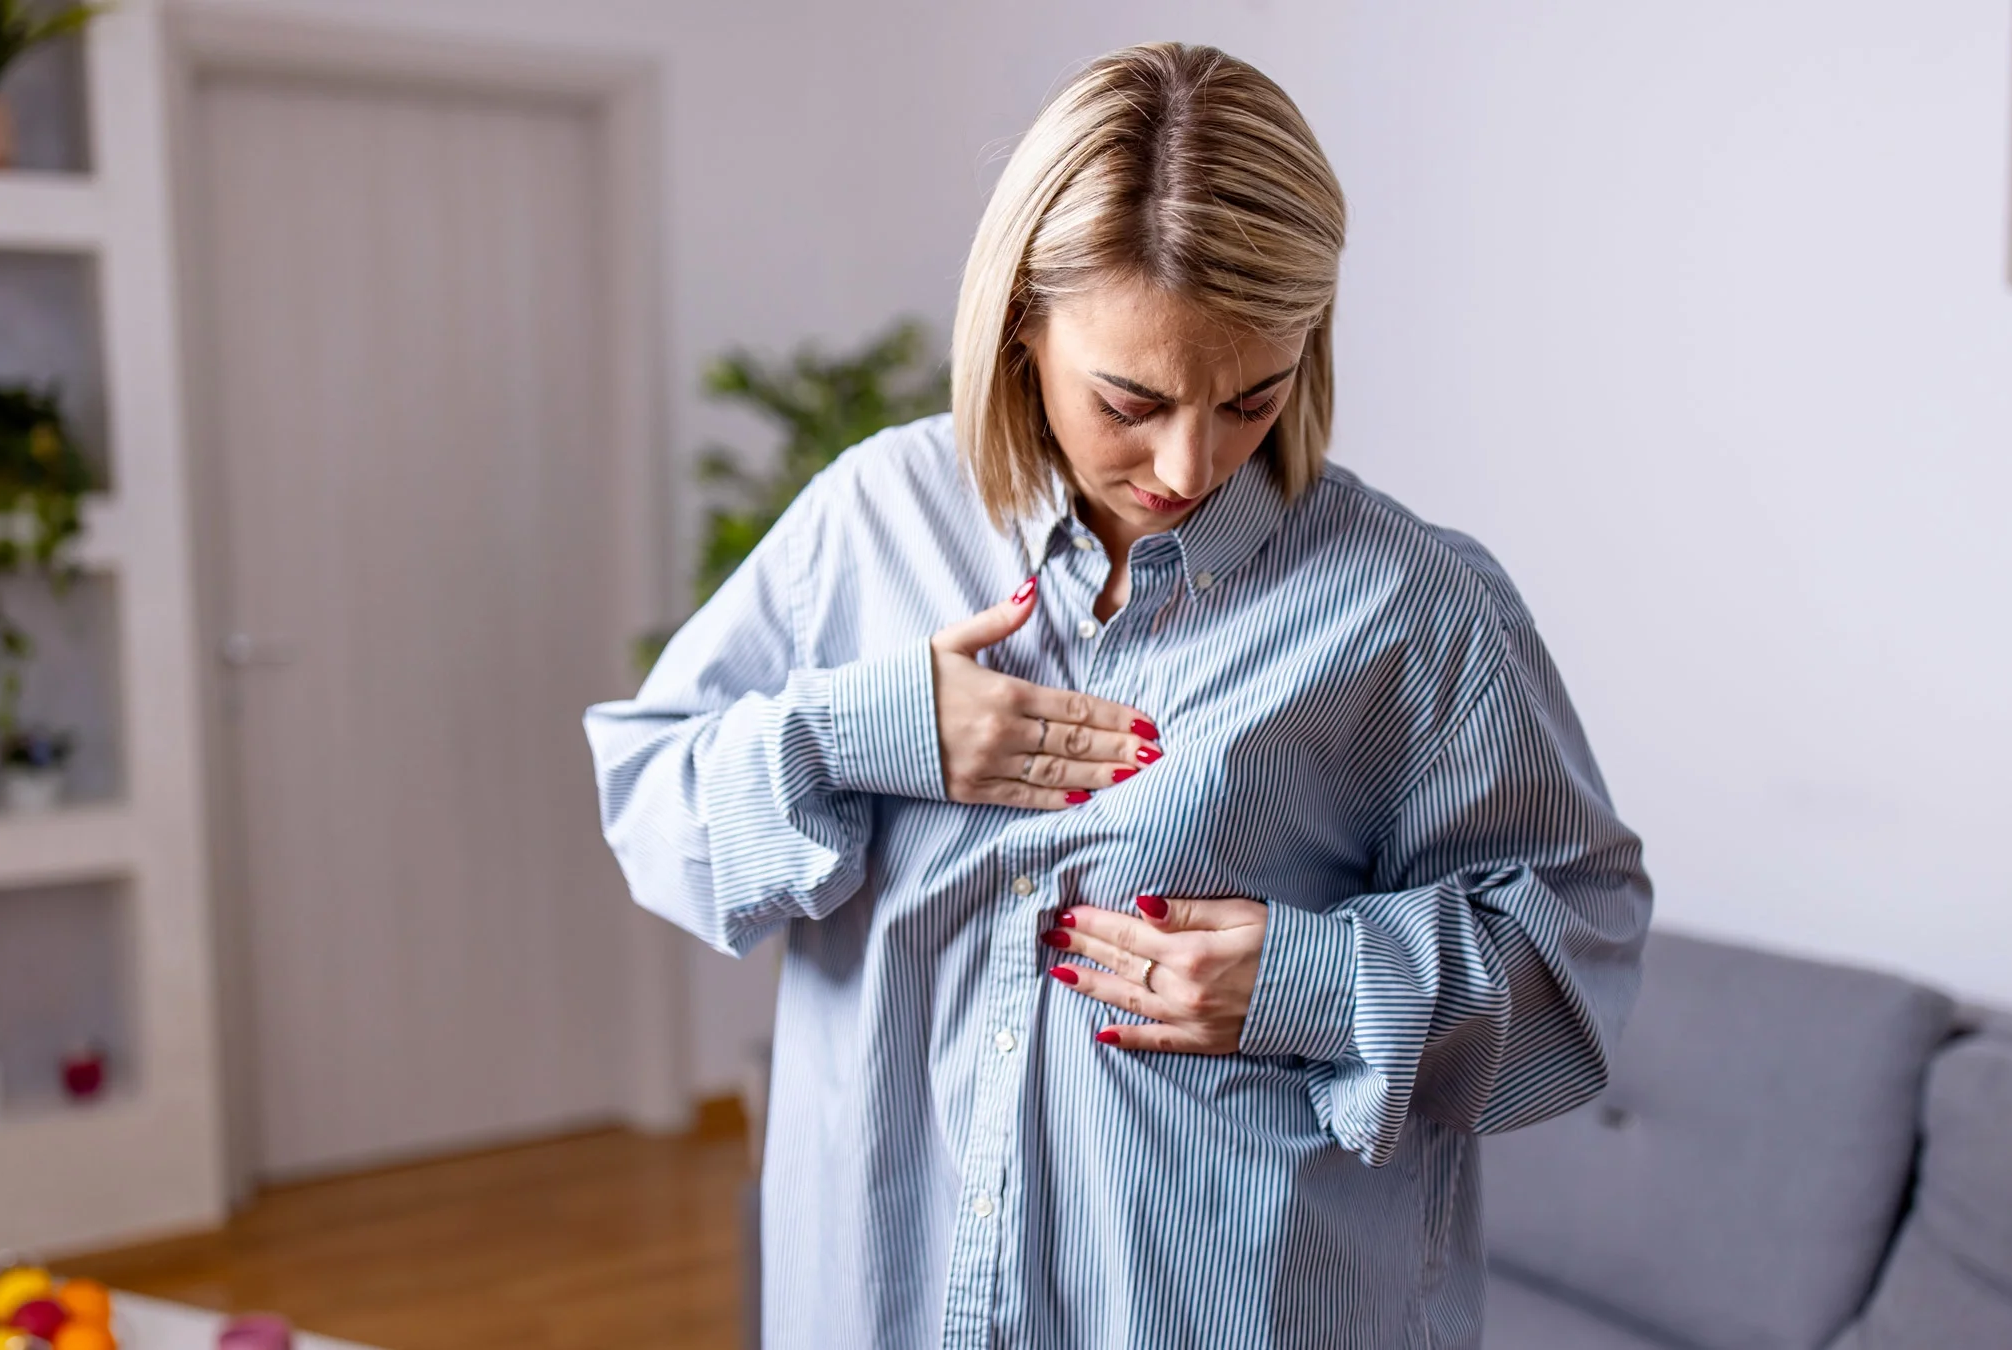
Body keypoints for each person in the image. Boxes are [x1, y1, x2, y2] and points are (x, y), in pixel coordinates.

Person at [585, 41, 1651, 1350]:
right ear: (1021, 326)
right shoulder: (869, 520)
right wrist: (863, 733)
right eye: (1131, 400)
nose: (1189, 464)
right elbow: (652, 808)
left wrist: (1316, 981)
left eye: (1250, 398)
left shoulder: (1416, 605)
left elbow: (1582, 960)